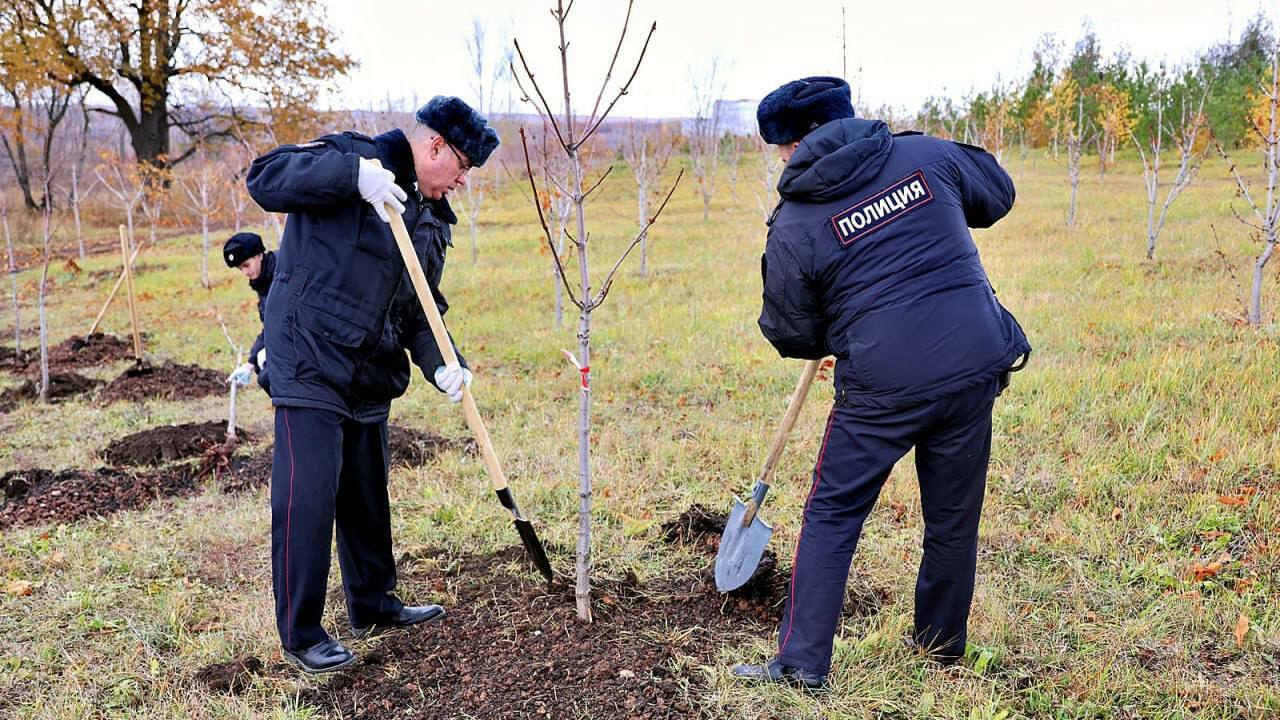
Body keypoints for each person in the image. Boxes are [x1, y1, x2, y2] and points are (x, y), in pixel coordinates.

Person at [732, 77, 1031, 690]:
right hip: (974, 363)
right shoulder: (926, 157)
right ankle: (941, 647)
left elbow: (790, 332)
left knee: (834, 512)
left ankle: (799, 664)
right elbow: (997, 192)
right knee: (953, 518)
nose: (782, 161)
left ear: (794, 144)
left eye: (781, 149)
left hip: (882, 388)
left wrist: (832, 329)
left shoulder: (794, 222)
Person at [245, 95, 498, 674]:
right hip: (309, 355)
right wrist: (351, 177)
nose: (461, 181)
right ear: (434, 145)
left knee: (365, 493)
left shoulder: (429, 218)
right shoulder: (352, 157)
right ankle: (302, 631)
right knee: (308, 494)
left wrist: (443, 363)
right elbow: (265, 178)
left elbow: (420, 307)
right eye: (461, 167)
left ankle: (373, 603)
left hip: (369, 368)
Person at [222, 232, 274, 390]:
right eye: (240, 268)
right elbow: (271, 326)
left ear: (259, 255)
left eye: (246, 265)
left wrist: (273, 350)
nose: (245, 273)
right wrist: (250, 364)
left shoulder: (281, 274)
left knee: (268, 377)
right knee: (261, 369)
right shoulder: (263, 280)